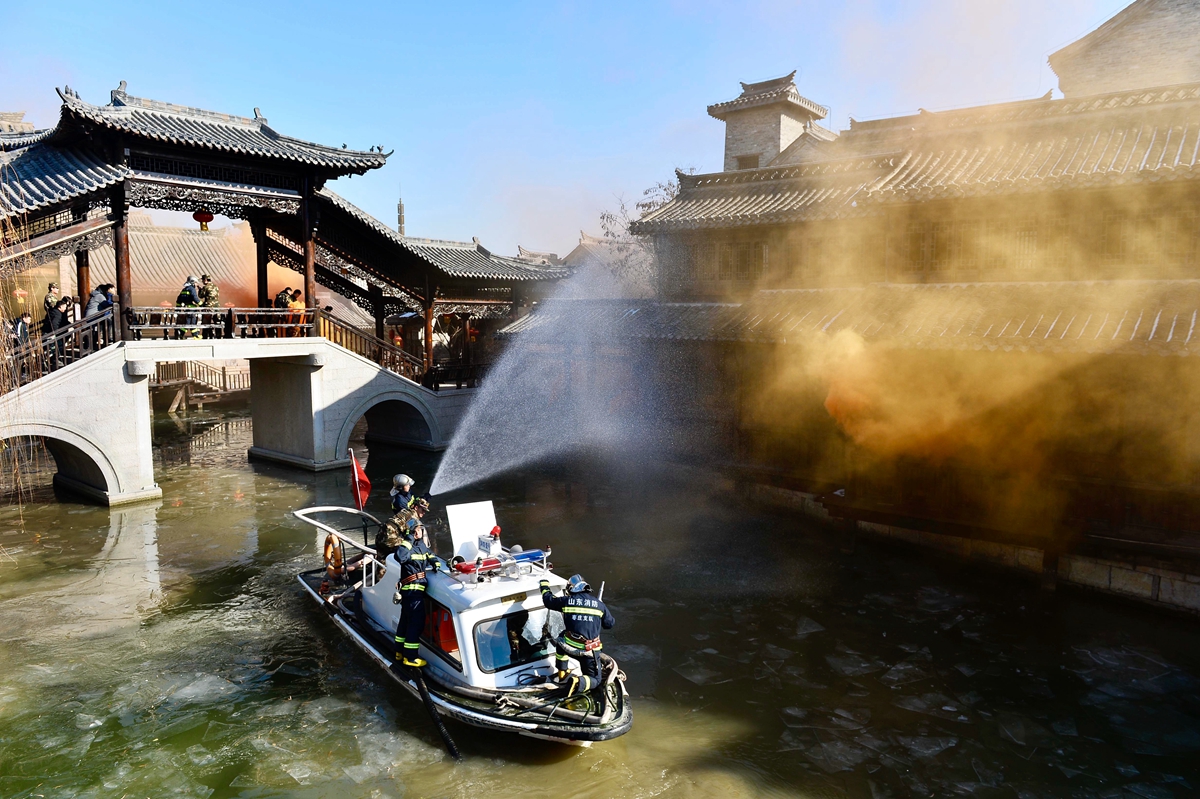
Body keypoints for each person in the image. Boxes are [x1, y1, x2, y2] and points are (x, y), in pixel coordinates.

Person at [539, 573, 615, 692]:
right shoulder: (599, 605)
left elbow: (548, 601)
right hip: (588, 652)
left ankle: (562, 673)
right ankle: (578, 682)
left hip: (568, 647)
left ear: (571, 589)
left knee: (561, 639)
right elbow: (609, 624)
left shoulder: (566, 601)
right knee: (595, 679)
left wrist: (544, 586)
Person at [391, 498, 438, 668]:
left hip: (415, 592)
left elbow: (429, 554)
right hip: (412, 593)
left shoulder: (420, 546)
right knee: (415, 624)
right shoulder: (407, 545)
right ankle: (410, 657)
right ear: (412, 531)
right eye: (418, 529)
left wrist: (436, 563)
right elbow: (400, 557)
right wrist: (410, 537)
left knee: (404, 622)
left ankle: (398, 652)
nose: (421, 531)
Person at [199, 274, 220, 339]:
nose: (202, 282)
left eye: (202, 280)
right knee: (217, 322)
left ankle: (205, 336)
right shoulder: (216, 287)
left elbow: (201, 296)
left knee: (206, 322)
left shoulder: (206, 287)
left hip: (208, 307)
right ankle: (218, 335)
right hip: (216, 306)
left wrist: (200, 289)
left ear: (205, 280)